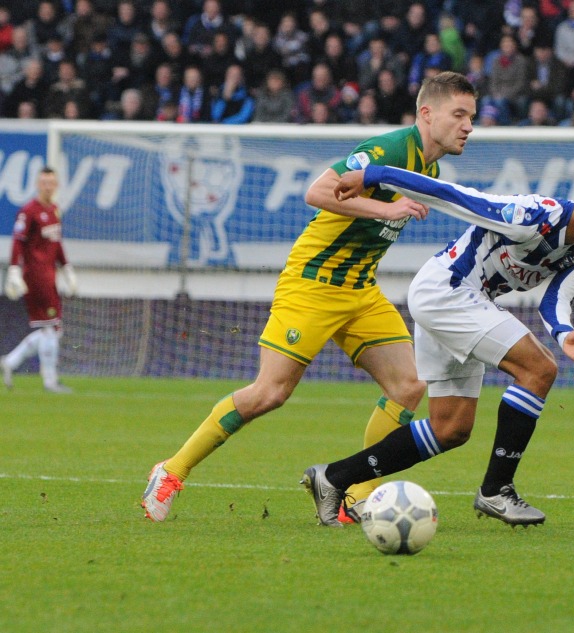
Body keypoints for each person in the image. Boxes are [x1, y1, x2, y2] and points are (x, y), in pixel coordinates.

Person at [141, 71, 478, 522]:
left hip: (360, 290)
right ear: (427, 113)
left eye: (471, 117)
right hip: (314, 284)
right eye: (459, 114)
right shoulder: (390, 151)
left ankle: (353, 497)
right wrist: (386, 206)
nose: (468, 126)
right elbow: (316, 191)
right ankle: (171, 470)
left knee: (409, 386)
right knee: (270, 393)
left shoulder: (429, 167)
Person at [301, 162, 574, 527]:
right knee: (539, 369)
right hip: (447, 290)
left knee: (451, 429)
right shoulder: (530, 217)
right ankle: (497, 489)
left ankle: (333, 478)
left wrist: (564, 332)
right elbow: (454, 196)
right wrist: (374, 174)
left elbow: (555, 298)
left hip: (469, 303)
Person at [2, 167, 77, 393]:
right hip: (35, 277)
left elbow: (57, 243)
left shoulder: (54, 210)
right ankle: (50, 381)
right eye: (44, 182)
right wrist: (14, 269)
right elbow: (18, 241)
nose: (48, 186)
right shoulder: (28, 211)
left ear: (56, 185)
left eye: (51, 182)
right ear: (37, 184)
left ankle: (10, 362)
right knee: (51, 328)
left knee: (52, 329)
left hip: (49, 276)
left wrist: (67, 267)